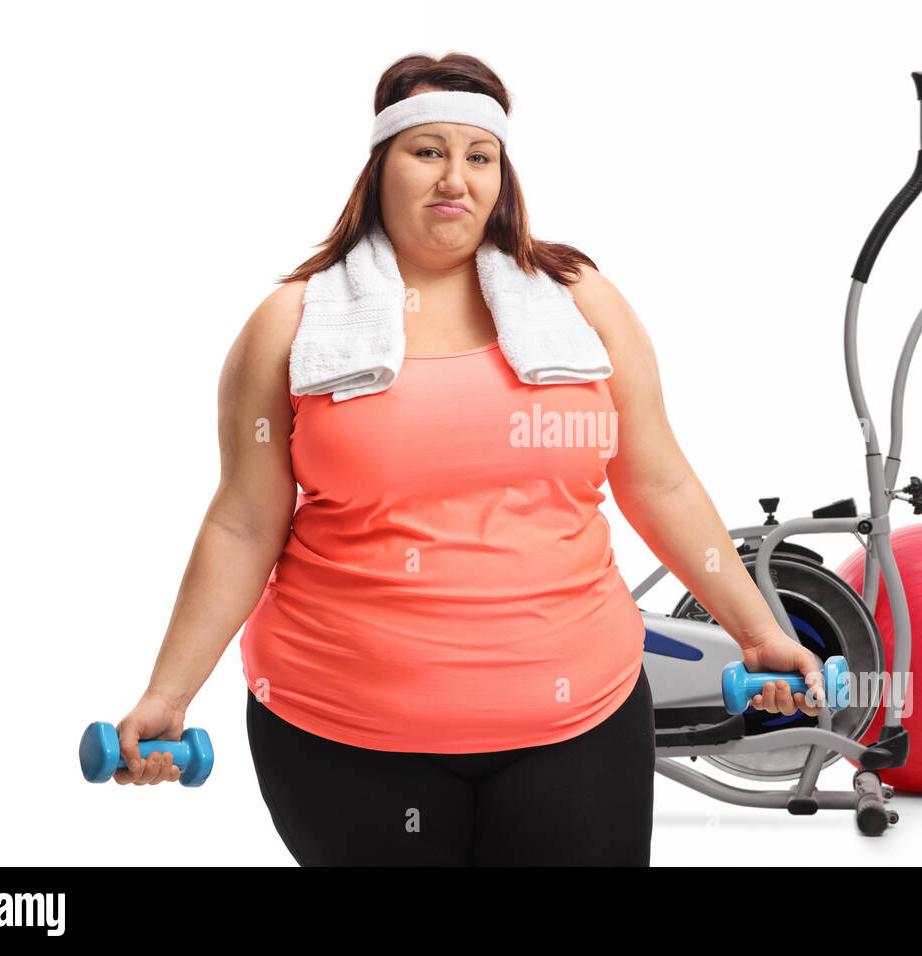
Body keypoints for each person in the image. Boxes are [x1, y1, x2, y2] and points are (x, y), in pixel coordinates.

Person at [112, 51, 824, 866]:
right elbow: (243, 524)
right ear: (380, 167)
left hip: (577, 721)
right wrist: (169, 694)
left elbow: (655, 477)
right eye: (428, 152)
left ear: (501, 175)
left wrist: (758, 630)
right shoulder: (292, 322)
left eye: (478, 157)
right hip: (346, 736)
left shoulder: (579, 300)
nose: (455, 178)